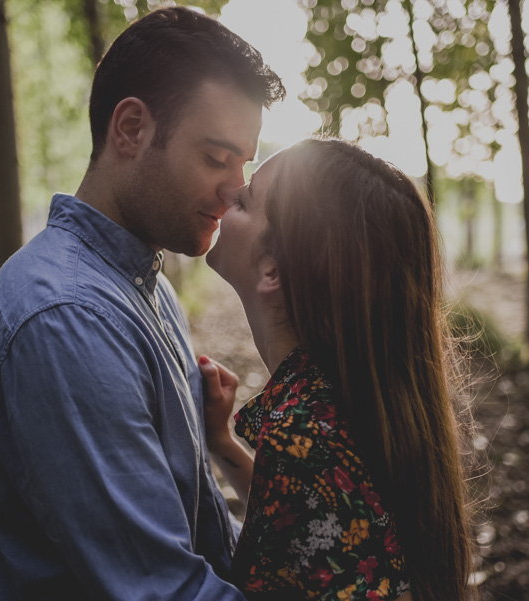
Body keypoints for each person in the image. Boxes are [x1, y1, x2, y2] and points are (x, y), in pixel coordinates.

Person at [0, 7, 284, 599]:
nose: (237, 187)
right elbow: (162, 589)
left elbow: (199, 532)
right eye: (216, 157)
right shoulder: (66, 318)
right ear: (130, 129)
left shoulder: (147, 284)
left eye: (245, 163)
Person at [201, 138, 475, 600]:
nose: (228, 195)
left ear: (273, 269)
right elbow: (311, 528)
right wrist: (222, 443)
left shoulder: (301, 436)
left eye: (245, 202)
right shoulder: (346, 400)